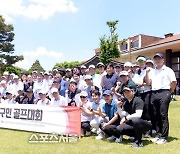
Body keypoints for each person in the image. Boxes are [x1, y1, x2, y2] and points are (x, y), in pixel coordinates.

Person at [146, 53, 177, 144]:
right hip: (154, 92)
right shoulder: (152, 71)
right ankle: (158, 135)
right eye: (155, 59)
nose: (157, 60)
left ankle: (164, 137)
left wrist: (169, 92)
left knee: (163, 115)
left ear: (163, 60)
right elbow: (148, 83)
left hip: (164, 92)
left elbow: (174, 82)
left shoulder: (168, 70)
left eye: (159, 59)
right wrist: (147, 73)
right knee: (156, 115)